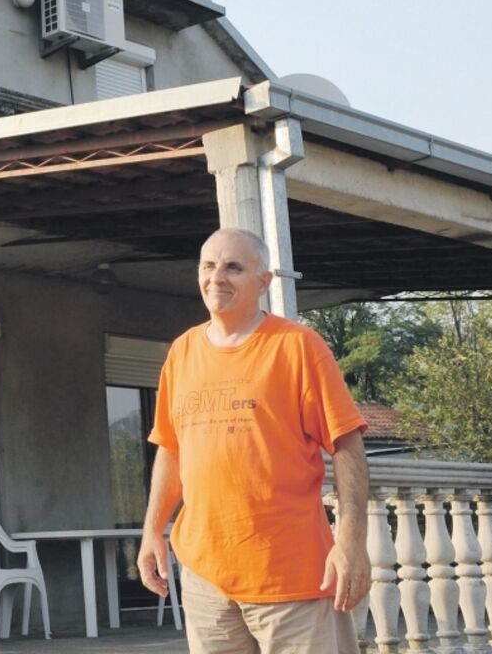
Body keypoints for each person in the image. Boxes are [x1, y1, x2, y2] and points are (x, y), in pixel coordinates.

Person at [137, 227, 370, 653]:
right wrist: (152, 530)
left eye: (233, 267)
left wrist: (352, 541)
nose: (216, 278)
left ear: (263, 282)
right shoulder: (182, 352)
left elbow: (347, 445)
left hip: (292, 576)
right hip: (206, 578)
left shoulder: (298, 347)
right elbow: (171, 448)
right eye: (208, 266)